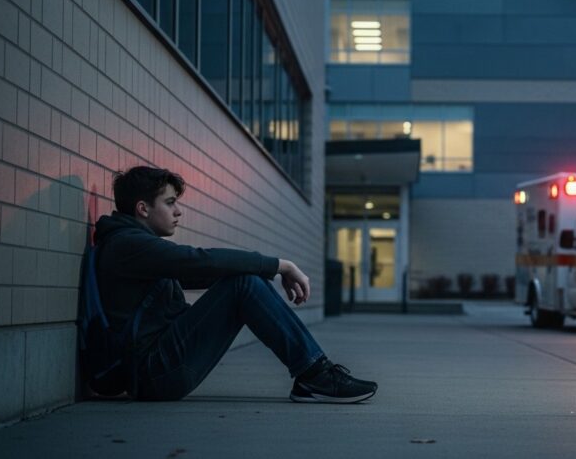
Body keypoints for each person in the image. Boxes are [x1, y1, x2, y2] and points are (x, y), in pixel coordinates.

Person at [93, 166, 378, 402]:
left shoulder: (132, 244)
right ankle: (316, 375)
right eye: (170, 203)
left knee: (244, 280)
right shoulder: (127, 245)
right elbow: (197, 261)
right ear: (142, 208)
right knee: (244, 283)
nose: (178, 211)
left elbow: (197, 272)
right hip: (152, 373)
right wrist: (280, 265)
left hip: (158, 366)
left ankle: (314, 374)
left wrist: (262, 272)